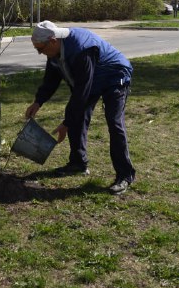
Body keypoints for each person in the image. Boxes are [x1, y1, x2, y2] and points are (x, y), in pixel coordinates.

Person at [25, 21, 136, 195]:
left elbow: (81, 91)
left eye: (40, 49)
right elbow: (51, 79)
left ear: (53, 40)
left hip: (115, 75)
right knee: (76, 115)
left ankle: (125, 175)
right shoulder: (55, 51)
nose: (40, 53)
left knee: (114, 123)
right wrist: (38, 102)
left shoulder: (81, 50)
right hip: (93, 79)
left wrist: (67, 123)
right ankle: (78, 163)